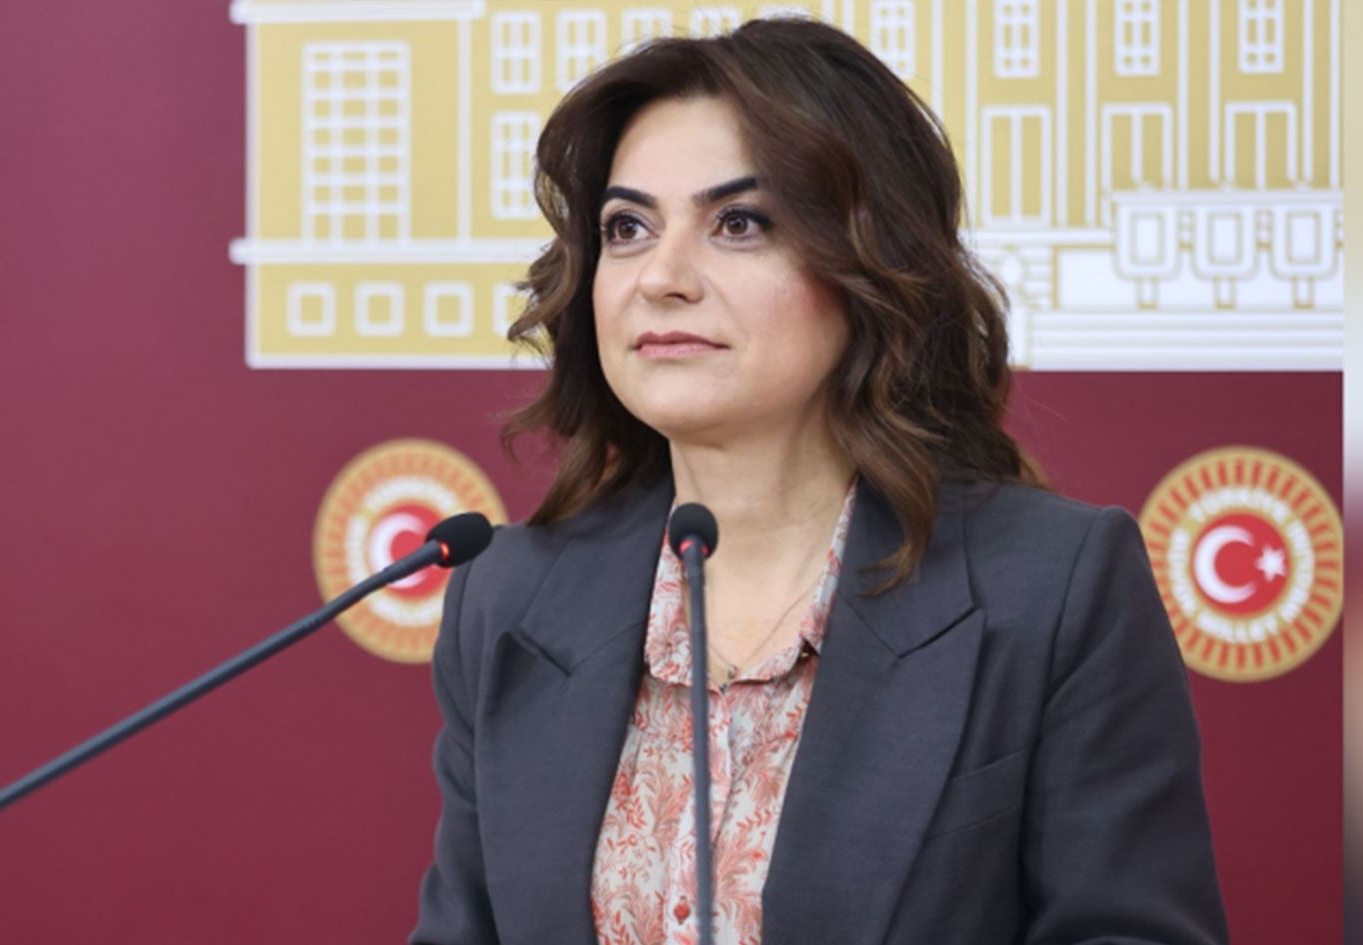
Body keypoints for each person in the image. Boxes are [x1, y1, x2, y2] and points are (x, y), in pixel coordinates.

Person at [411, 17, 1226, 945]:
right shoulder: (507, 599)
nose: (662, 277)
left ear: (868, 261)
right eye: (627, 228)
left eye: (739, 223)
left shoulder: (1050, 590)